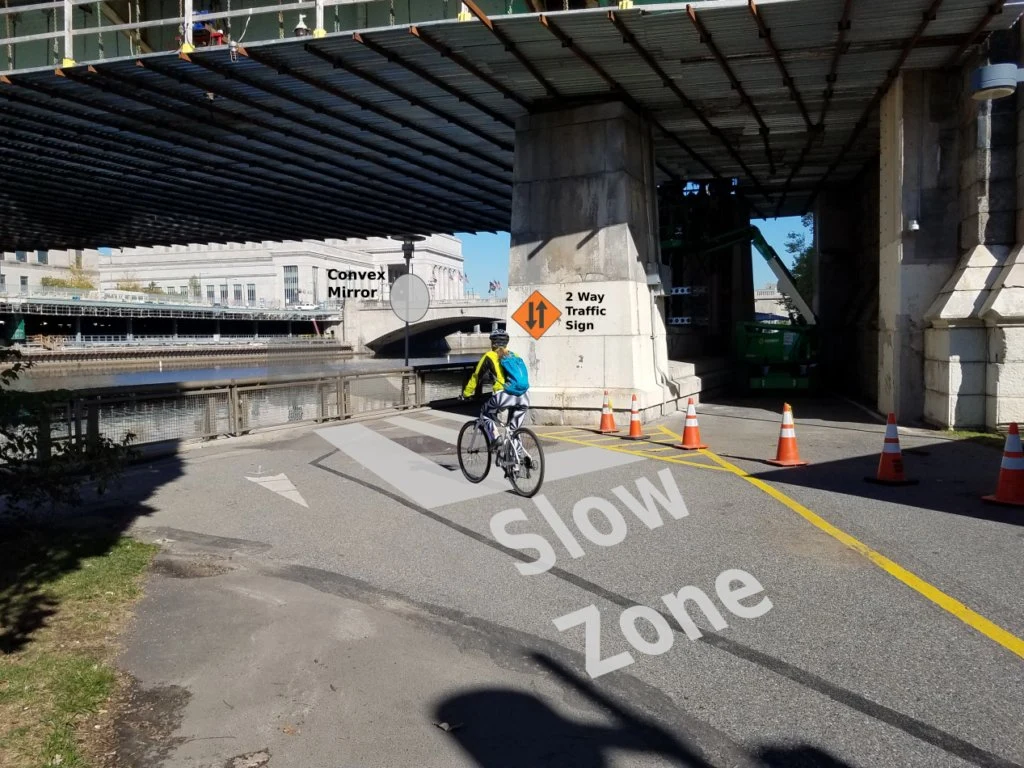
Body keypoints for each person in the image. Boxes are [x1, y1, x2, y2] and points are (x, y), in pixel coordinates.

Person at [461, 329, 529, 458]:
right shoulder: (515, 355)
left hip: (504, 395)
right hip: (524, 396)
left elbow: (476, 376)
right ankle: (517, 460)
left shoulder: (490, 356)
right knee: (514, 430)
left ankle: (495, 437)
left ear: (493, 343)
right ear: (506, 343)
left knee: (485, 412)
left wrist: (466, 394)